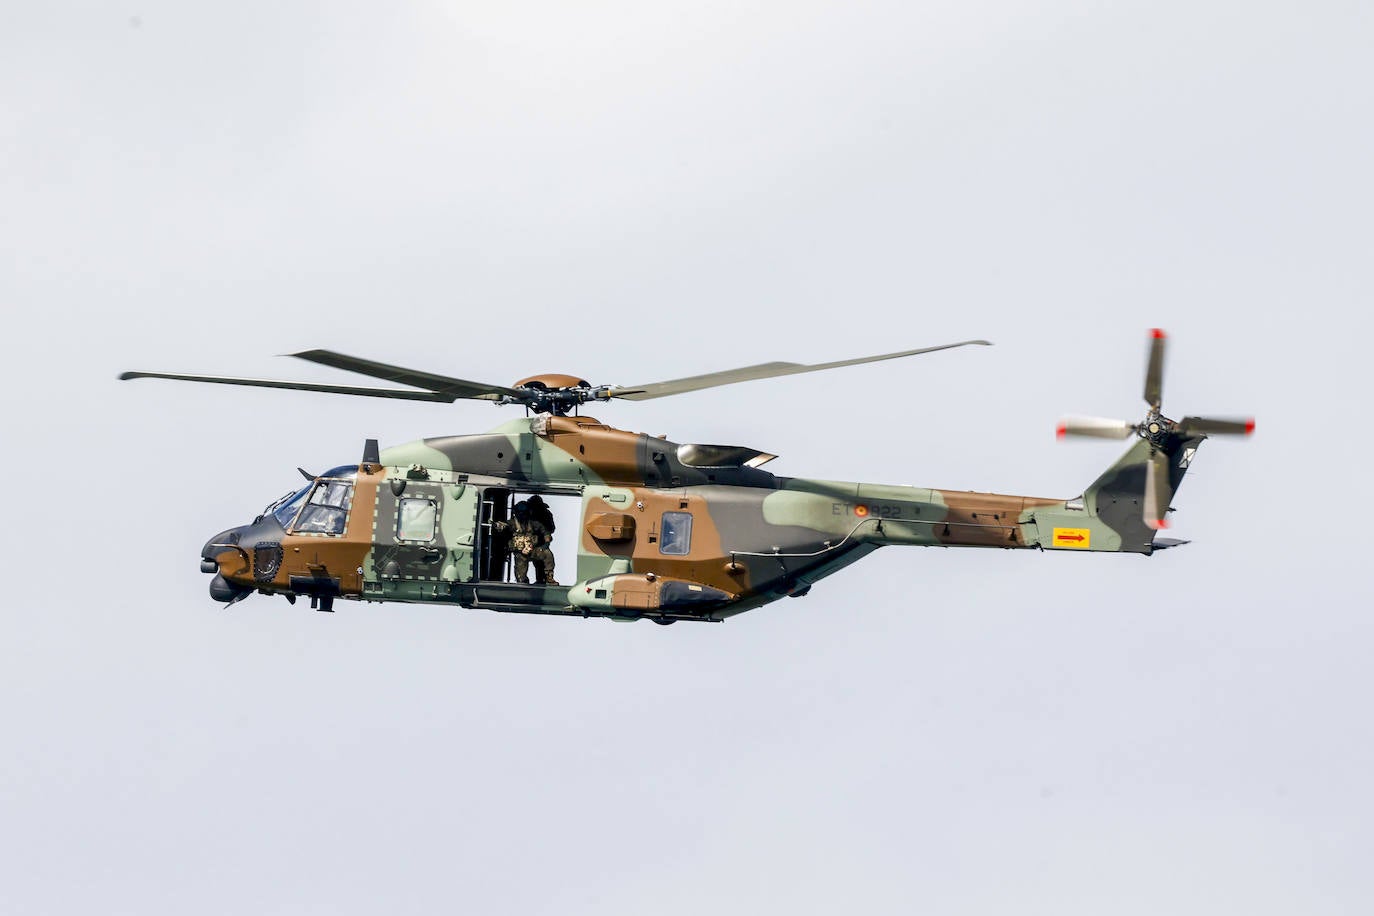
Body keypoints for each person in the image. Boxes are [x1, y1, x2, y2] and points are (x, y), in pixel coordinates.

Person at [496, 500, 557, 585]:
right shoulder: (512, 523)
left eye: (524, 513)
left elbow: (545, 532)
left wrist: (546, 544)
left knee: (547, 554)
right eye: (520, 513)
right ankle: (523, 581)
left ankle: (549, 577)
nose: (522, 516)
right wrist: (500, 527)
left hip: (533, 550)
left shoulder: (533, 523)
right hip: (520, 553)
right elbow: (504, 527)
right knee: (521, 576)